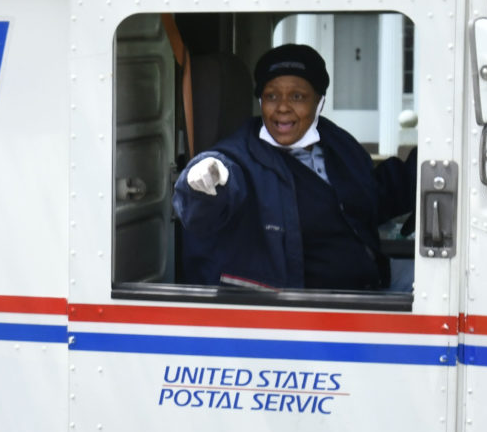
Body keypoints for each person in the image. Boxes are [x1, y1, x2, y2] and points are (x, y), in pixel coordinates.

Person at [171, 41, 419, 291]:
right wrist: (204, 182)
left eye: (297, 96)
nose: (282, 107)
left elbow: (371, 197)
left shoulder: (335, 142)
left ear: (319, 102)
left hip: (369, 280)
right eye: (271, 96)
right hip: (298, 308)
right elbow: (201, 206)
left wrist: (423, 169)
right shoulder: (236, 156)